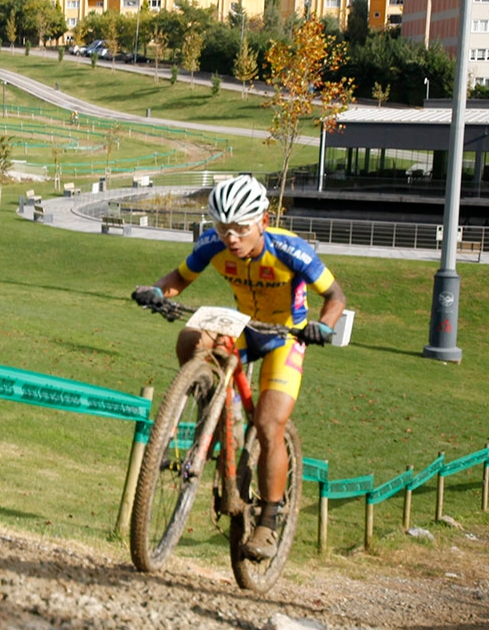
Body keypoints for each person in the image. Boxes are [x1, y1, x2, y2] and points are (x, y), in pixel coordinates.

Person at [132, 174, 347, 561]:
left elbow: (335, 295)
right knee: (190, 338)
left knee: (268, 425)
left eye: (241, 229)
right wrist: (156, 291)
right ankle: (211, 415)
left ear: (263, 221)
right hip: (244, 324)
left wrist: (325, 326)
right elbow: (180, 277)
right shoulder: (213, 245)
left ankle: (268, 519)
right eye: (223, 228)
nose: (231, 238)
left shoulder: (291, 251)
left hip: (286, 335)